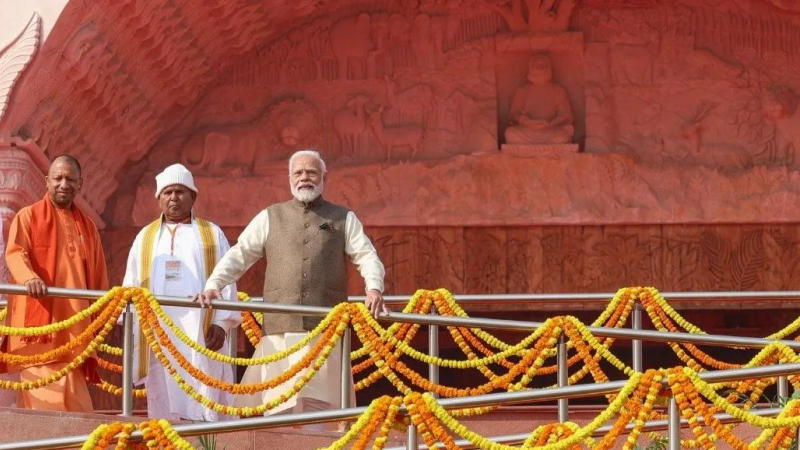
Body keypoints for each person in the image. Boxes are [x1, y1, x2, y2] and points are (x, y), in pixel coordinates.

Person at [195, 149, 386, 416]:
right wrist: (214, 283)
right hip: (280, 329)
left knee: (321, 409)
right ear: (289, 178)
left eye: (311, 172)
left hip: (324, 330)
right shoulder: (270, 216)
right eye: (298, 172)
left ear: (323, 177)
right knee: (278, 405)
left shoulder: (343, 218)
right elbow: (240, 253)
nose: (304, 178)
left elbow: (366, 255)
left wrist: (373, 287)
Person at [122, 163, 240, 421]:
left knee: (204, 392)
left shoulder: (211, 234)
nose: (173, 198)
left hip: (200, 332)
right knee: (163, 398)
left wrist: (221, 323)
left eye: (180, 192)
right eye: (167, 192)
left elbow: (226, 279)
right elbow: (130, 285)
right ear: (158, 199)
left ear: (193, 197)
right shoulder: (145, 237)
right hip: (157, 333)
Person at [2, 154, 108, 411]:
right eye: (58, 178)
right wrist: (30, 278)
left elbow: (98, 276)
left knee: (78, 405)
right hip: (40, 334)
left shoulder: (88, 227)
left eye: (70, 179)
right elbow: (15, 254)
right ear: (46, 180)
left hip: (75, 329)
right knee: (42, 404)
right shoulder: (27, 216)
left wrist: (104, 314)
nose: (64, 184)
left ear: (80, 184)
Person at [505, 52, 574, 145]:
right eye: (537, 65)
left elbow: (566, 115)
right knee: (510, 134)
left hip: (550, 130)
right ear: (530, 68)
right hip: (528, 131)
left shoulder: (558, 90)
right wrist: (526, 122)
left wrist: (550, 124)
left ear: (549, 68)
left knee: (562, 136)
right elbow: (513, 114)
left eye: (542, 65)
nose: (540, 67)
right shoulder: (522, 91)